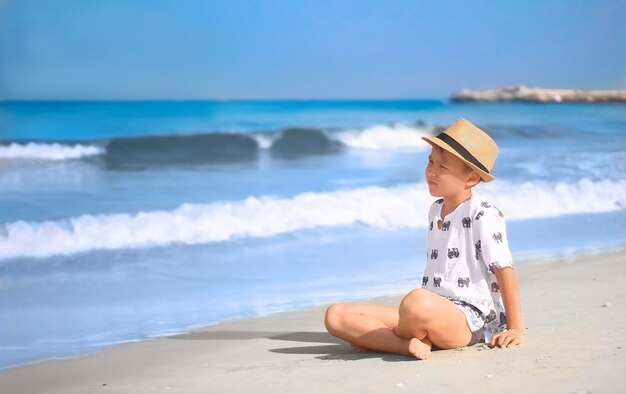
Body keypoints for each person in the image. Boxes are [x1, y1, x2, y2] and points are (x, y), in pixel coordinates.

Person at [324, 118, 524, 360]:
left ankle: (387, 338)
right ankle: (404, 343)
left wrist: (515, 328)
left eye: (443, 167)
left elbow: (504, 269)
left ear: (471, 178)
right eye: (430, 161)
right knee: (336, 314)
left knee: (415, 301)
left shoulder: (482, 212)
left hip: (469, 319)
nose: (431, 171)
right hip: (431, 309)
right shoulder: (435, 209)